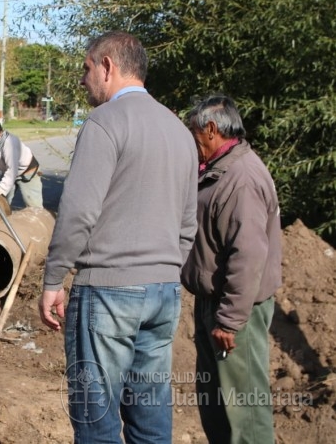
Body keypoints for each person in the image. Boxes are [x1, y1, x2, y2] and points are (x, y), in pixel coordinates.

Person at [38, 31, 198, 443]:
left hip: (108, 291)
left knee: (98, 422)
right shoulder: (180, 131)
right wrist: (163, 270)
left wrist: (54, 279)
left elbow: (77, 213)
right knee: (150, 421)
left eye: (86, 68)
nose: (82, 79)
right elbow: (187, 224)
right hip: (163, 293)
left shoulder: (105, 122)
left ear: (107, 66)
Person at [181, 95, 282, 443]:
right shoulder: (219, 170)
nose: (191, 142)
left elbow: (248, 255)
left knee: (245, 409)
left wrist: (230, 319)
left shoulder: (241, 179)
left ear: (211, 129)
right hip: (216, 304)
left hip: (236, 313)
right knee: (216, 402)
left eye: (193, 133)